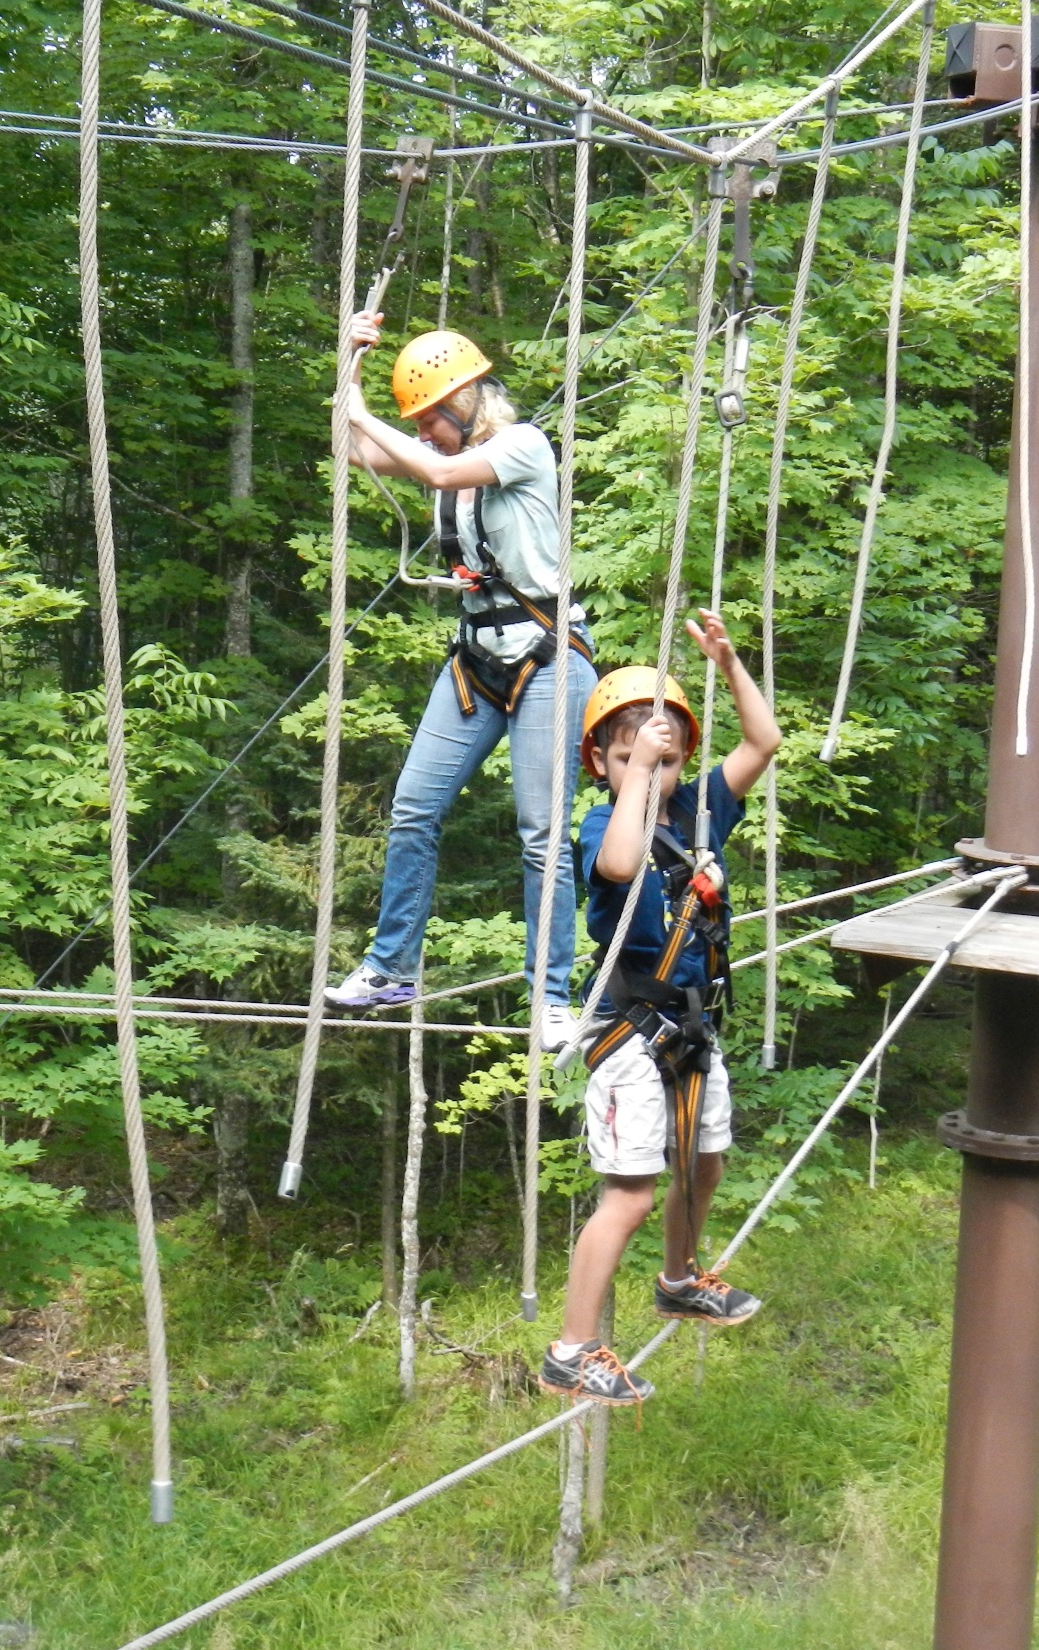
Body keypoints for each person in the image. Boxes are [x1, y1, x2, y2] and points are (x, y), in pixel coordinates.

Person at [322, 311, 598, 1052]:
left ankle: (551, 999)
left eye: (431, 422)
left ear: (466, 404)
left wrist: (368, 414)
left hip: (548, 656)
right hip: (477, 660)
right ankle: (391, 969)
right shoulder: (445, 458)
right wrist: (350, 362)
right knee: (413, 808)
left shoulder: (522, 446)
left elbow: (437, 469)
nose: (426, 437)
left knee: (542, 836)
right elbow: (352, 447)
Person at [539, 611, 782, 1406]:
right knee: (632, 1193)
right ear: (601, 763)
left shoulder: (699, 811)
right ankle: (572, 1349)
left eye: (669, 758)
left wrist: (730, 663)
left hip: (692, 1026)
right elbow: (618, 864)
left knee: (705, 1162)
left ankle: (679, 1279)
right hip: (631, 1031)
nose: (652, 768)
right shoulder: (602, 822)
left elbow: (764, 743)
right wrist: (640, 771)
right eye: (628, 756)